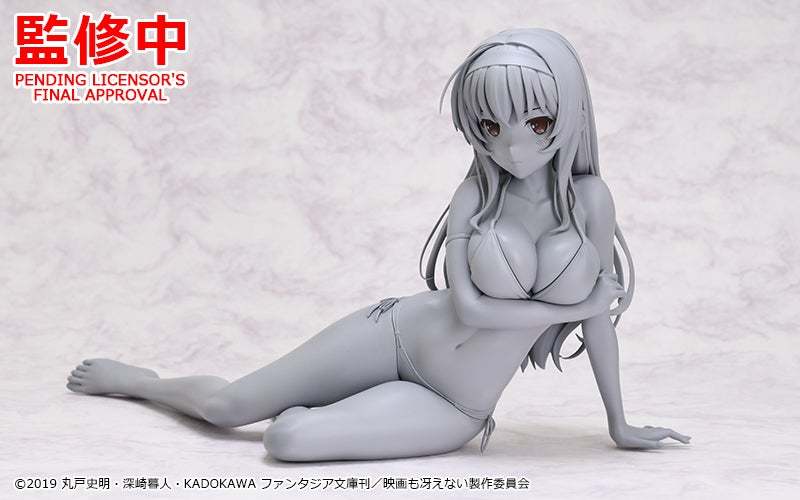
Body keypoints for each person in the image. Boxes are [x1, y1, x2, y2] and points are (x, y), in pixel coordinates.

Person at [66, 28, 690, 462]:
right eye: (490, 126)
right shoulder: (476, 192)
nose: (514, 146)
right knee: (229, 407)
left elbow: (600, 324)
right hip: (396, 331)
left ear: (570, 111)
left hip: (454, 401)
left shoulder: (592, 200)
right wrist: (576, 305)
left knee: (286, 442)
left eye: (538, 122)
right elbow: (471, 308)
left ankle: (333, 411)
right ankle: (145, 383)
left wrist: (618, 422)